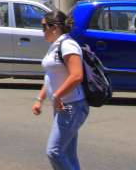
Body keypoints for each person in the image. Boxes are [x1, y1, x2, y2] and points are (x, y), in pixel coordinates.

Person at [32, 11, 87, 170]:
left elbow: (77, 76)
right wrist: (40, 99)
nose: (42, 31)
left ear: (54, 27)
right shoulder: (55, 46)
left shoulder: (68, 45)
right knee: (68, 154)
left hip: (72, 106)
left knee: (54, 151)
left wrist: (56, 96)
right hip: (63, 106)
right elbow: (51, 76)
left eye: (44, 27)